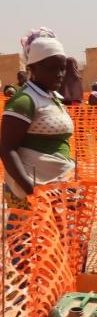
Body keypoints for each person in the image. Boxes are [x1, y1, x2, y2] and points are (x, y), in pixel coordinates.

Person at [1, 28, 74, 209]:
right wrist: (31, 190)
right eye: (51, 68)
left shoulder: (52, 97)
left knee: (59, 236)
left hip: (56, 187)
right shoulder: (24, 100)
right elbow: (6, 149)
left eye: (62, 68)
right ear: (32, 68)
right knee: (30, 236)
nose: (59, 74)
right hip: (32, 191)